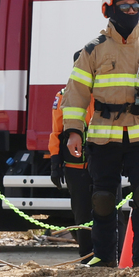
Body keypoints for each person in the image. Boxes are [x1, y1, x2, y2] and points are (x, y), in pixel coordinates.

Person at [62, 0, 139, 269]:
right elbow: (75, 93)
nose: (131, 11)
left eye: (136, 6)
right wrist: (73, 131)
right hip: (103, 136)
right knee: (101, 199)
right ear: (109, 10)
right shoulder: (92, 50)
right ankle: (103, 257)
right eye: (124, 6)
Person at [48, 83, 93, 259]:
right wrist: (55, 162)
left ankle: (111, 254)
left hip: (101, 162)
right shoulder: (63, 95)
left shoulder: (102, 92)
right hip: (75, 165)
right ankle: (86, 257)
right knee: (82, 212)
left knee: (108, 209)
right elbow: (57, 132)